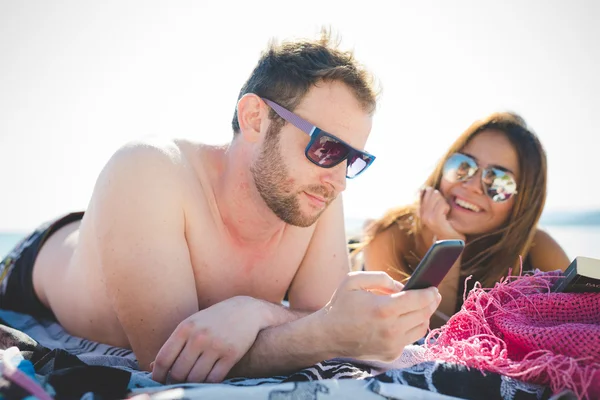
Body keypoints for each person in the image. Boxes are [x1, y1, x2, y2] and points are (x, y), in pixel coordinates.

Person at [0, 32, 441, 384]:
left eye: (353, 159)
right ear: (254, 118)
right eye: (326, 148)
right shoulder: (148, 169)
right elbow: (170, 356)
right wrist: (326, 332)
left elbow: (318, 313)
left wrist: (259, 310)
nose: (340, 178)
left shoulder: (315, 192)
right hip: (35, 265)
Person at [359, 112, 570, 328]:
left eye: (498, 181)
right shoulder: (389, 235)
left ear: (523, 201)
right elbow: (419, 337)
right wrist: (448, 245)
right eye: (464, 166)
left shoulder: (536, 247)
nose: (471, 186)